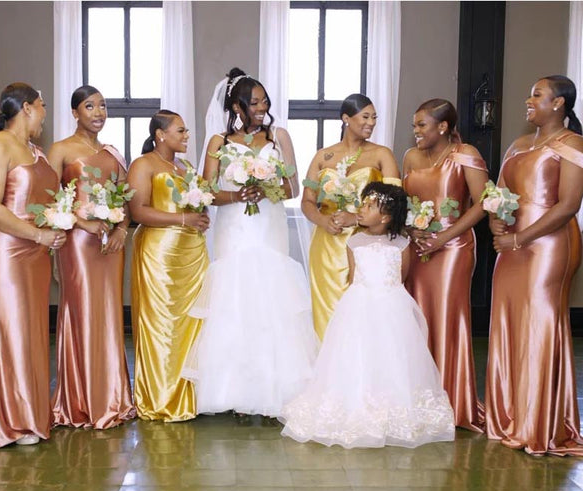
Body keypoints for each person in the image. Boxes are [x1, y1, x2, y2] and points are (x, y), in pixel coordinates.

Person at [181, 68, 318, 420]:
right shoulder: (219, 142)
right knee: (235, 302)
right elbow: (207, 192)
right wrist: (237, 194)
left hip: (269, 226)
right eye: (254, 103)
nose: (262, 108)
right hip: (234, 228)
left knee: (272, 301)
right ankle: (236, 392)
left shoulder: (279, 136)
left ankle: (276, 390)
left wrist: (267, 187)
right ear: (236, 107)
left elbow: (293, 188)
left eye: (264, 101)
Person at [280, 183, 455, 448]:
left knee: (391, 354)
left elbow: (401, 276)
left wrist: (385, 295)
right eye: (363, 204)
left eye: (369, 206)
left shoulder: (402, 243)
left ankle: (391, 408)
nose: (361, 210)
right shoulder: (354, 242)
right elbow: (353, 276)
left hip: (391, 306)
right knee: (357, 352)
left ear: (385, 218)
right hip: (359, 305)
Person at [486, 75, 583, 456]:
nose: (529, 100)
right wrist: (496, 220)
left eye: (537, 95)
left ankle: (539, 422)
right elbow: (499, 193)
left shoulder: (572, 145)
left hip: (548, 245)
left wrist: (520, 238)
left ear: (558, 103)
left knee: (540, 323)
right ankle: (509, 414)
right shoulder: (518, 144)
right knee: (509, 320)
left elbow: (568, 205)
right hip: (510, 246)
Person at [47, 85, 136, 429]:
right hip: (77, 243)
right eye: (89, 106)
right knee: (82, 311)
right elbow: (48, 198)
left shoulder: (113, 153)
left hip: (111, 245)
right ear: (75, 113)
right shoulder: (61, 149)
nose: (98, 113)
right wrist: (83, 223)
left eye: (102, 106)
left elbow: (125, 200)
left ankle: (113, 398)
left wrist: (121, 230)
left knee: (110, 314)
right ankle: (80, 401)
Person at [0, 83, 66, 449]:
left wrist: (55, 228)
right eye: (43, 105)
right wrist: (37, 235)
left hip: (36, 254)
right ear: (28, 107)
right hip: (8, 252)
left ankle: (31, 413)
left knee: (33, 332)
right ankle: (9, 420)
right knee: (12, 329)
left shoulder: (36, 151)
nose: (45, 113)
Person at [403, 99, 489, 432]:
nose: (416, 131)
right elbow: (404, 203)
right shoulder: (411, 157)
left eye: (421, 125)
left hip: (453, 248)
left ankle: (452, 401)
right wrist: (412, 230)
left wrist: (444, 237)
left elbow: (483, 203)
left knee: (446, 319)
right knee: (417, 318)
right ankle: (419, 399)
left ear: (442, 127)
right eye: (414, 125)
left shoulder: (464, 154)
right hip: (417, 246)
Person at [127, 110, 210, 421]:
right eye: (181, 130)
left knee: (191, 325)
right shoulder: (143, 164)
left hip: (191, 254)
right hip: (159, 255)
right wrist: (184, 218)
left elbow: (196, 204)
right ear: (160, 135)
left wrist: (200, 217)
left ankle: (188, 395)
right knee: (161, 324)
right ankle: (161, 398)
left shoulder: (186, 168)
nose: (186, 136)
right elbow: (138, 211)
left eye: (186, 130)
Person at [302, 93, 401, 340]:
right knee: (327, 314)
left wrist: (355, 218)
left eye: (374, 117)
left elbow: (395, 202)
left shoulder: (382, 154)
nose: (371, 122)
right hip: (326, 246)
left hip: (366, 244)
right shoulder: (322, 156)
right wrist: (323, 220)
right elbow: (307, 201)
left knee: (363, 313)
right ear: (346, 118)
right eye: (365, 117)